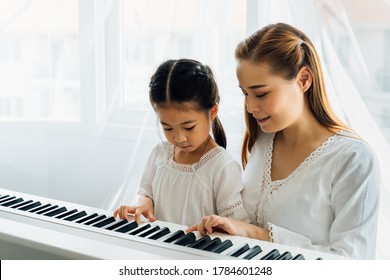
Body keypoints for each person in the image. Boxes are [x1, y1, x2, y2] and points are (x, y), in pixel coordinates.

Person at [188, 23, 381, 259]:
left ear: (303, 80)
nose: (250, 106)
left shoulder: (352, 160)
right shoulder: (263, 139)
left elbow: (352, 264)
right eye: (245, 93)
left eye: (261, 94)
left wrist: (257, 235)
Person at [114, 59, 249, 227]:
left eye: (189, 127)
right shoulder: (160, 153)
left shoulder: (222, 166)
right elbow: (148, 193)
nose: (179, 138)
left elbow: (235, 225)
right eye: (167, 128)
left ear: (212, 112)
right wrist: (144, 205)